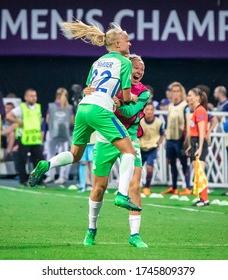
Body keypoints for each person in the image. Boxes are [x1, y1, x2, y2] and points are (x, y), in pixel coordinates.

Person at [28, 20, 140, 212]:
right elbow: (127, 96)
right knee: (129, 152)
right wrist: (130, 99)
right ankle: (122, 194)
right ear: (118, 44)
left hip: (83, 108)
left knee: (75, 154)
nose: (130, 44)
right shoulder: (125, 62)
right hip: (100, 109)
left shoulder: (97, 62)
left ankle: (47, 164)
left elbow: (88, 90)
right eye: (127, 41)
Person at [83, 54, 149, 248]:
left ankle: (134, 235)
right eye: (136, 67)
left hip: (130, 138)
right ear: (127, 68)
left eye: (142, 69)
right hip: (105, 138)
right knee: (98, 188)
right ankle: (91, 229)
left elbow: (130, 112)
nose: (139, 71)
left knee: (134, 186)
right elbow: (90, 97)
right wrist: (89, 94)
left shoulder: (143, 92)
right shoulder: (111, 83)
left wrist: (117, 105)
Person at [6, 89, 44, 186]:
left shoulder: (38, 107)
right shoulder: (21, 108)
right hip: (24, 138)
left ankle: (38, 180)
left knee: (39, 161)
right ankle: (23, 180)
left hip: (35, 138)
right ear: (26, 97)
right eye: (31, 96)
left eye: (35, 96)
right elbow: (9, 116)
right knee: (22, 160)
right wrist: (19, 122)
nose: (33, 98)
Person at [160, 82, 191, 195]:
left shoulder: (185, 106)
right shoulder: (170, 105)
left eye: (177, 91)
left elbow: (188, 123)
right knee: (171, 162)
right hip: (170, 138)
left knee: (183, 163)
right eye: (173, 91)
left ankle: (187, 187)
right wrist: (166, 139)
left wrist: (186, 140)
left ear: (181, 92)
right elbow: (168, 122)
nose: (175, 93)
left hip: (180, 139)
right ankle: (174, 187)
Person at [43, 88, 73, 184]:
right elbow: (72, 121)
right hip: (64, 134)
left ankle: (50, 175)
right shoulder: (69, 107)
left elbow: (47, 119)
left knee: (50, 154)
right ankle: (62, 176)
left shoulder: (52, 106)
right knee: (64, 155)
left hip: (52, 133)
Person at [187, 87, 209, 206]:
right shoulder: (197, 110)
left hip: (198, 142)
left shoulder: (200, 110)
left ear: (197, 97)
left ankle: (204, 199)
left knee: (199, 171)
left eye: (190, 95)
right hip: (195, 142)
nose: (188, 98)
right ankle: (202, 198)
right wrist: (192, 146)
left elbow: (201, 131)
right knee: (197, 171)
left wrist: (199, 147)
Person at [139, 103, 165, 195]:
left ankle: (147, 187)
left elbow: (162, 134)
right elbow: (135, 133)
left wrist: (158, 143)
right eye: (147, 110)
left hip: (152, 148)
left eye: (151, 109)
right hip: (141, 148)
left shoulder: (158, 122)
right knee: (136, 169)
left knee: (149, 168)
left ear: (154, 111)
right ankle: (134, 186)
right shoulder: (140, 121)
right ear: (144, 111)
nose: (149, 111)